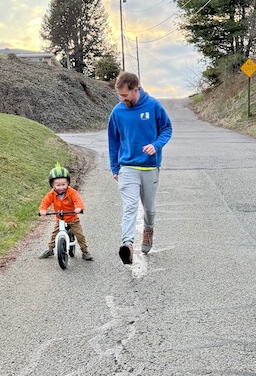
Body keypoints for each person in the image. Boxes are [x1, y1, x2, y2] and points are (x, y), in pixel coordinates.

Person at [107, 71, 172, 264]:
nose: (122, 99)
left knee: (149, 209)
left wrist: (156, 145)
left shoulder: (153, 106)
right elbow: (113, 141)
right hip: (127, 167)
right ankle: (127, 244)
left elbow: (167, 129)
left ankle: (148, 230)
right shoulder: (117, 112)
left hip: (150, 167)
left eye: (125, 95)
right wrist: (114, 168)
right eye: (120, 95)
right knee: (130, 206)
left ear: (136, 89)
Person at [38, 165, 93, 260]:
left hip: (72, 218)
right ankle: (50, 249)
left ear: (68, 183)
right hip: (60, 219)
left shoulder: (71, 192)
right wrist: (43, 210)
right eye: (58, 185)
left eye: (63, 184)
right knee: (54, 235)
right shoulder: (51, 194)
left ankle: (85, 251)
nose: (61, 187)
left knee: (79, 234)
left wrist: (79, 207)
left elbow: (78, 200)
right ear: (52, 185)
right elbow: (45, 202)